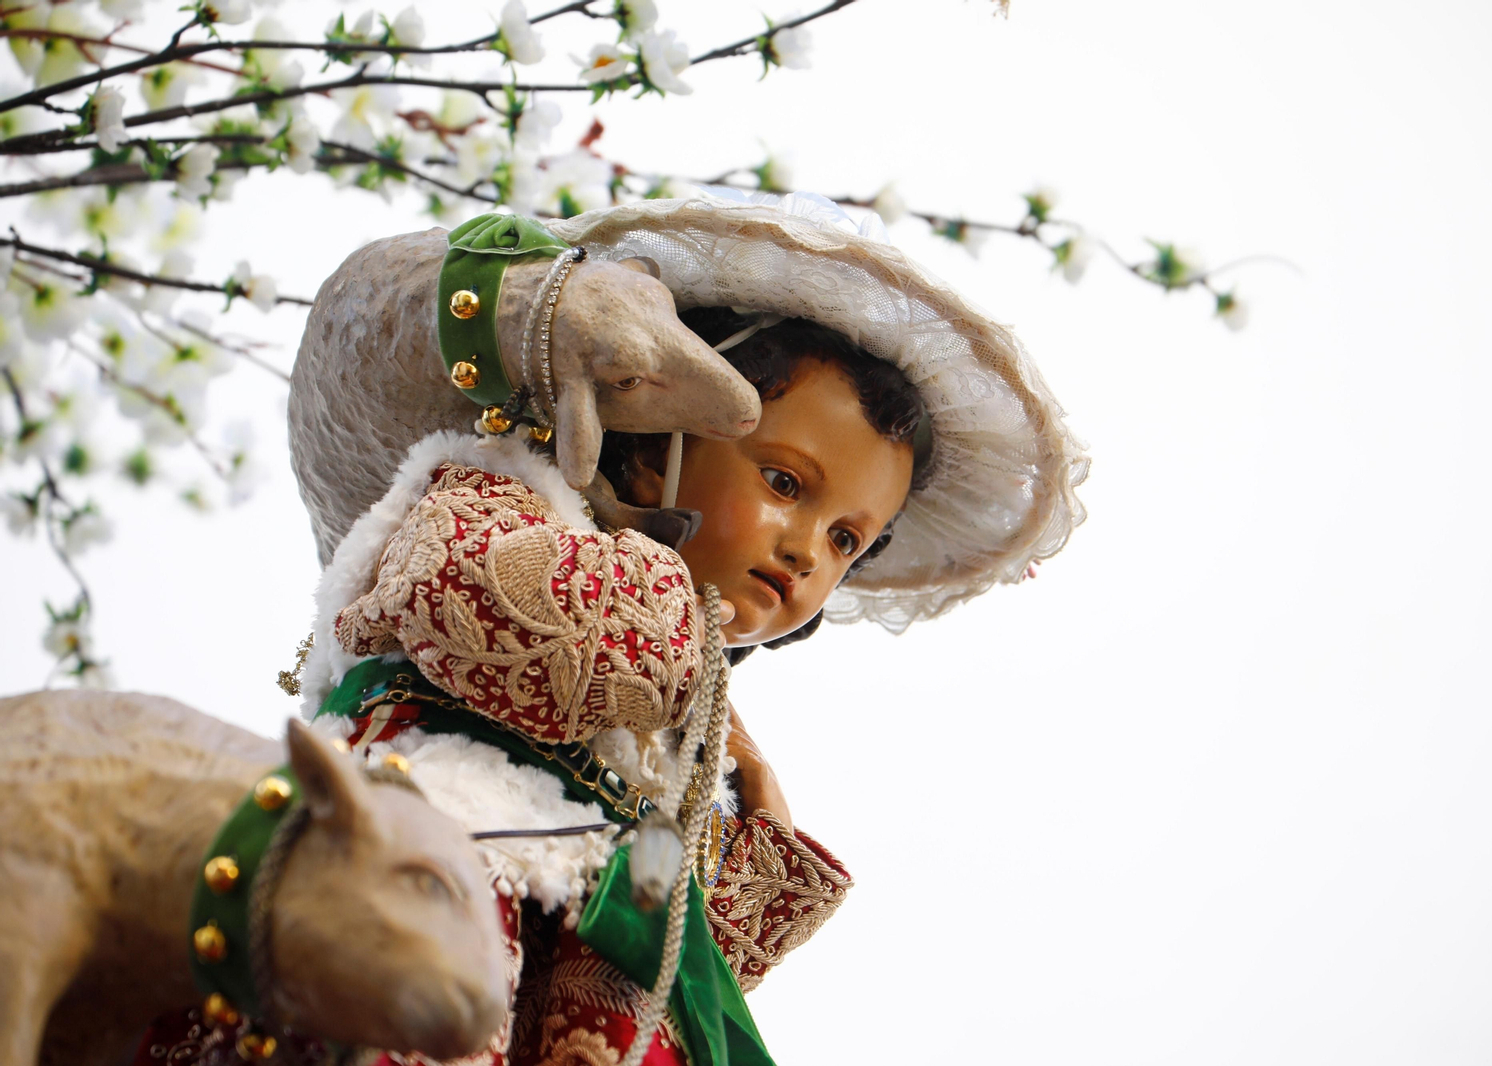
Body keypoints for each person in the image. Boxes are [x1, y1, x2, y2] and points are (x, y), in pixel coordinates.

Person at [140, 191, 1087, 1066]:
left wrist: (747, 835)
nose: (807, 552)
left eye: (847, 539)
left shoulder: (679, 729)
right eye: (785, 484)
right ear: (660, 431)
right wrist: (677, 654)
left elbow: (652, 937)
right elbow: (484, 608)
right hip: (415, 892)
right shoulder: (504, 500)